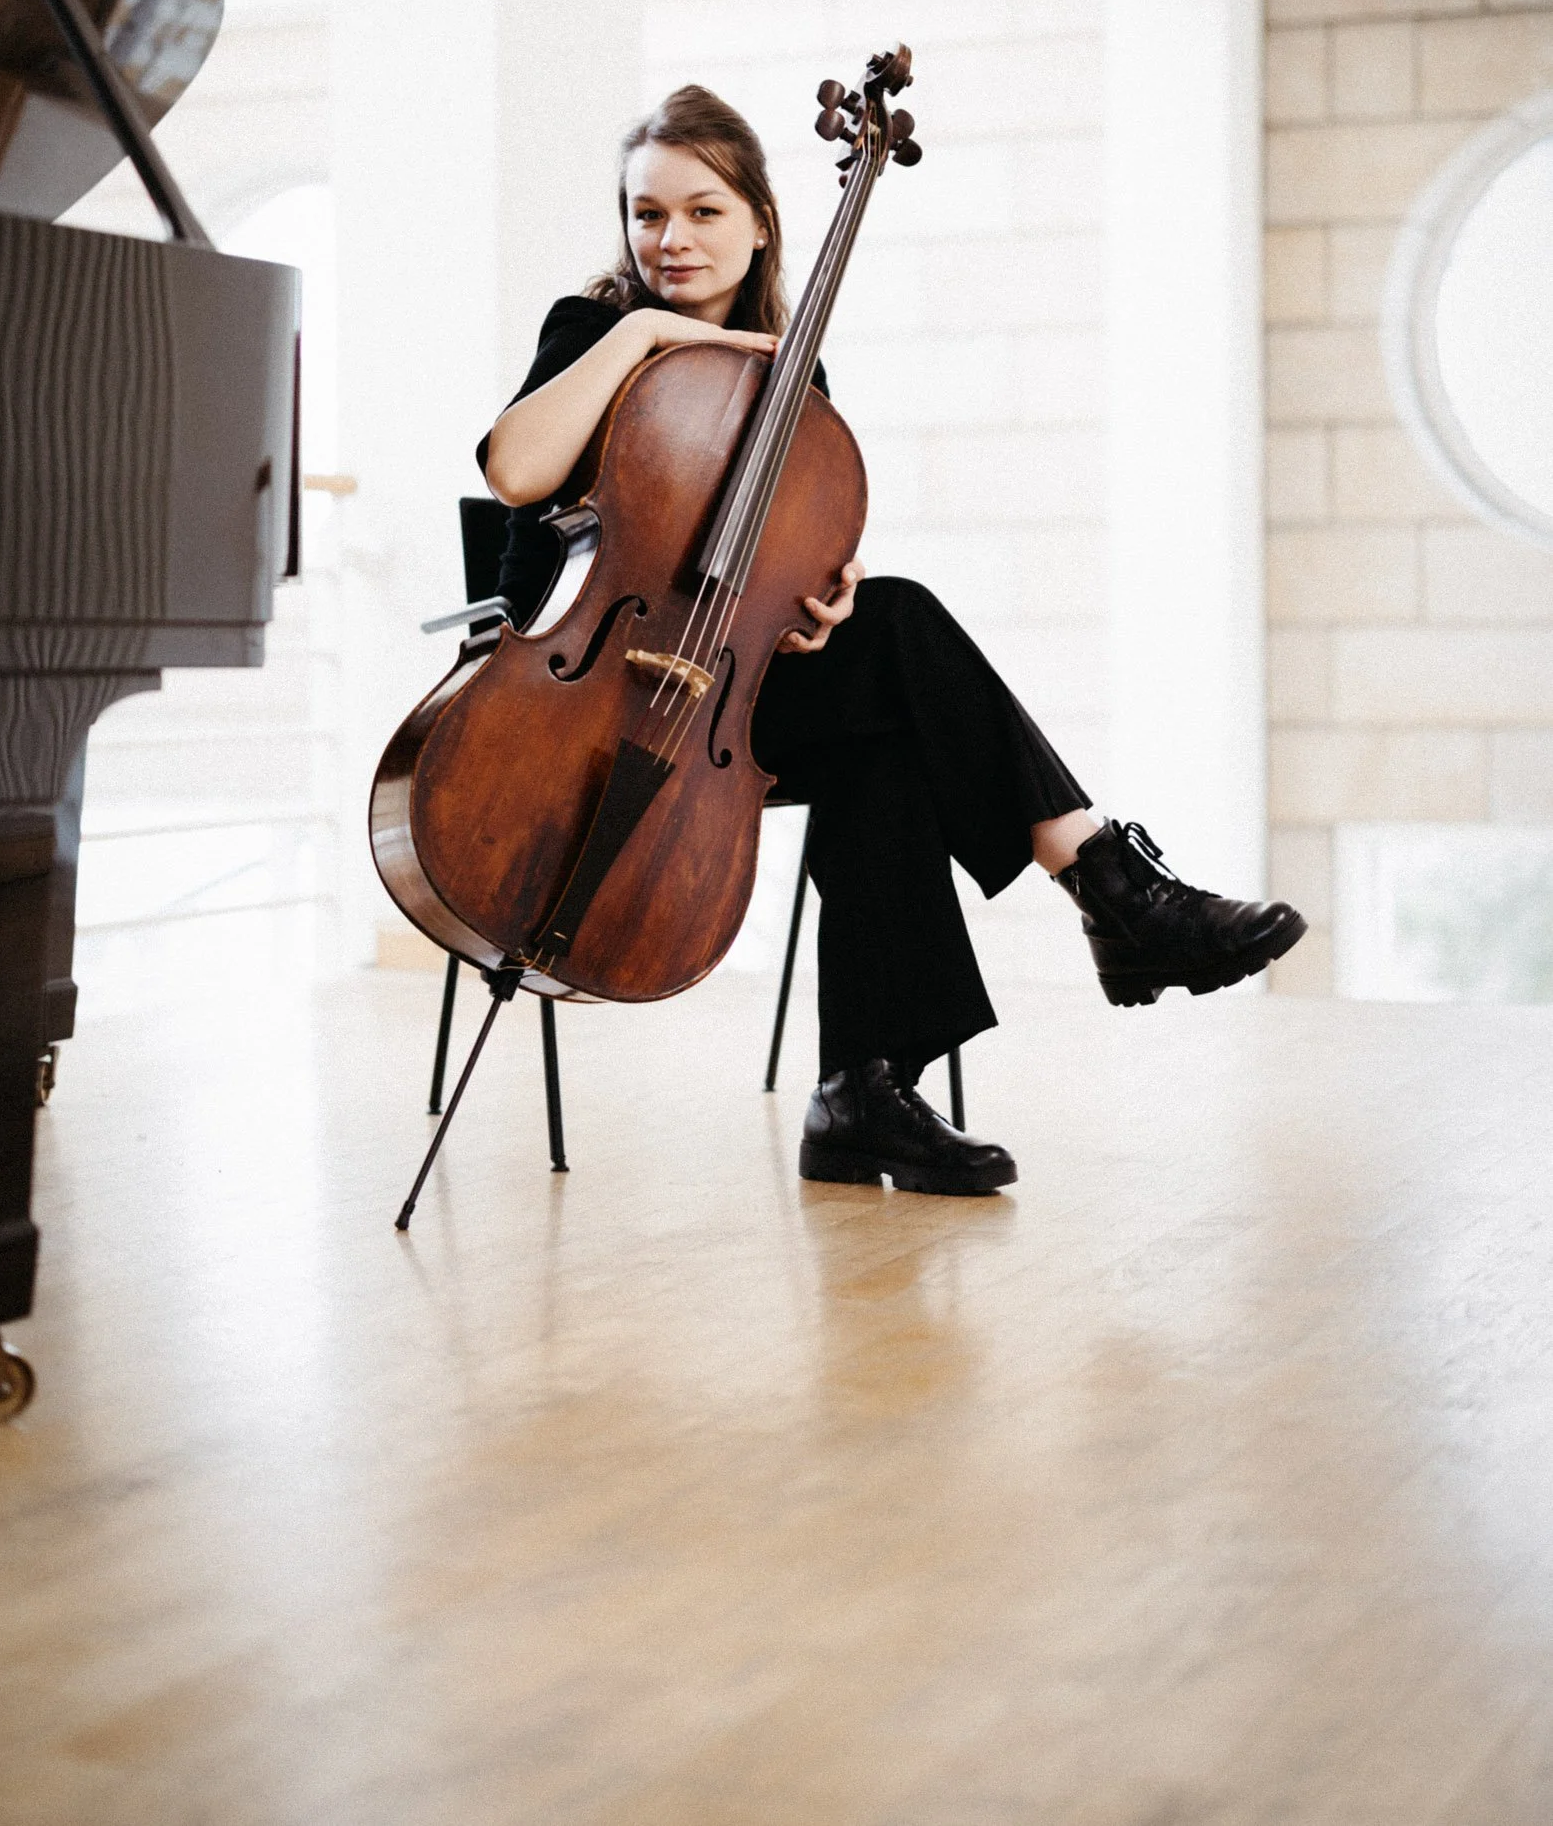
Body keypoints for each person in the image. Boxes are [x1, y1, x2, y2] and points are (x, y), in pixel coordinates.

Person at [480, 86, 1305, 1199]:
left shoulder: (788, 376)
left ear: (761, 220)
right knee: (901, 665)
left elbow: (766, 562)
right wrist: (644, 328)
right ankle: (1099, 893)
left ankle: (867, 1091)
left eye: (701, 212)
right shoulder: (593, 331)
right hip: (573, 714)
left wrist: (818, 593)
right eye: (645, 214)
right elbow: (515, 472)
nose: (668, 239)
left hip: (720, 702)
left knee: (885, 690)